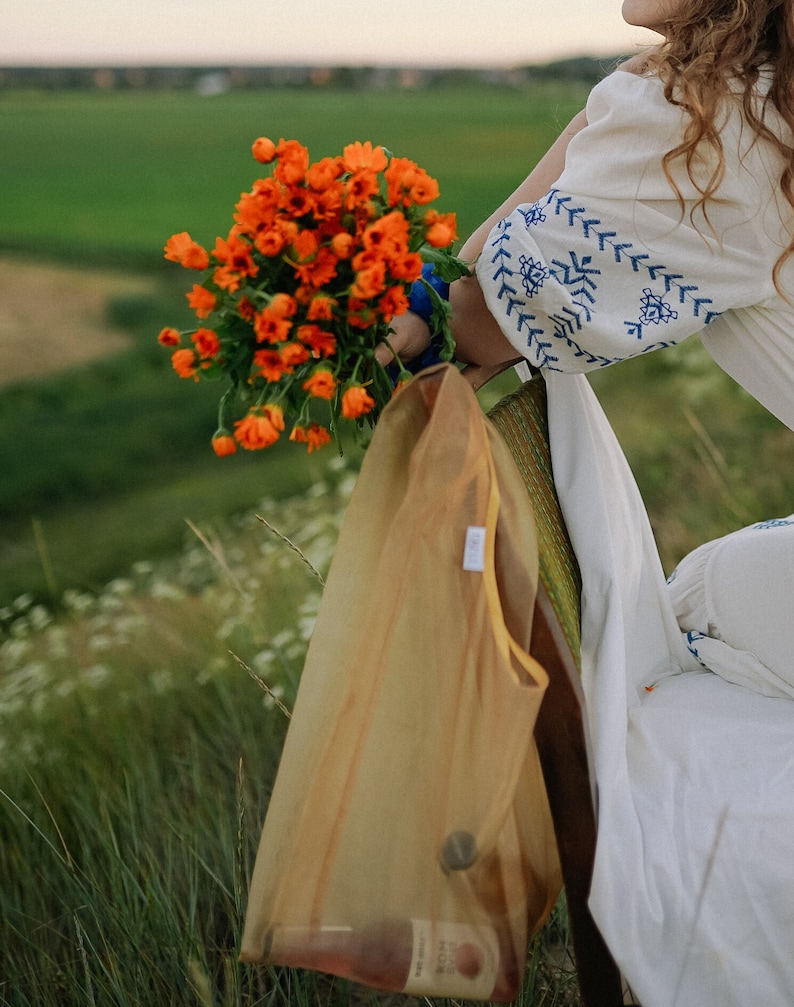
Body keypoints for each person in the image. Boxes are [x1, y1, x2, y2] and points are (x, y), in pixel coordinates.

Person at [377, 2, 794, 1005]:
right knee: (724, 584)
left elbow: (476, 316)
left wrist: (643, 89)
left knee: (704, 599)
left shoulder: (718, 126)